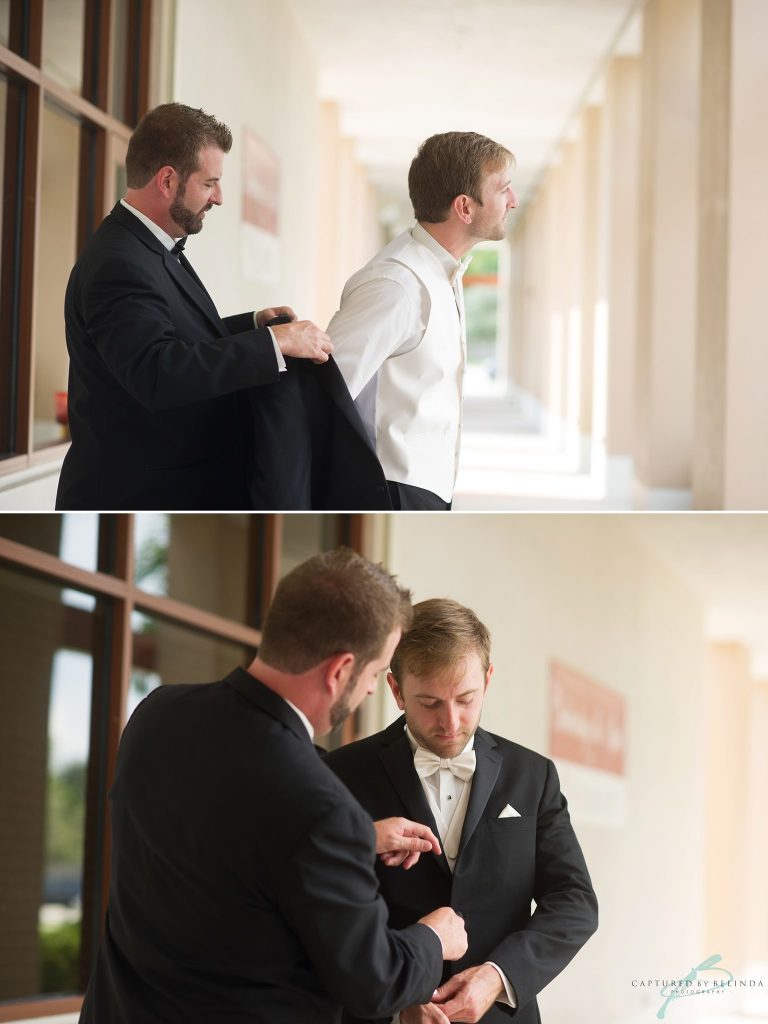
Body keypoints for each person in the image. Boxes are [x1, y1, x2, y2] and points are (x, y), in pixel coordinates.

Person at [79, 549, 467, 1024]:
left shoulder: (156, 714)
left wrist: (360, 837)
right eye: (372, 673)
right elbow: (375, 981)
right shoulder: (321, 808)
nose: (370, 691)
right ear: (340, 670)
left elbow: (222, 836)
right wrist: (434, 936)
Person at [56, 102, 341, 511]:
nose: (219, 198)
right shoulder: (119, 263)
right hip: (139, 496)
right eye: (210, 183)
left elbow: (166, 336)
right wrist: (273, 344)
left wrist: (252, 324)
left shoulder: (148, 245)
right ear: (168, 180)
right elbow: (157, 372)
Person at [325, 598, 598, 1023]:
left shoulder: (534, 775)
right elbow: (326, 912)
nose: (450, 722)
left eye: (466, 699)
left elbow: (574, 900)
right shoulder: (340, 773)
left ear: (487, 680)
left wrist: (497, 976)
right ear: (396, 690)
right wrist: (396, 1000)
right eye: (430, 703)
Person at [327, 132, 519, 511]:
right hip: (390, 490)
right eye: (503, 190)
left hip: (424, 488)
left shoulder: (442, 272)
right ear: (464, 207)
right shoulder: (396, 285)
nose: (513, 201)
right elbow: (324, 391)